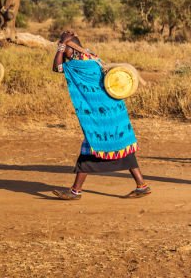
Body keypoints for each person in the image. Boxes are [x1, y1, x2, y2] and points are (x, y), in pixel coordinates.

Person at [50, 31, 151, 200]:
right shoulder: (92, 57)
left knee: (92, 146)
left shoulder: (77, 65)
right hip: (114, 111)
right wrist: (64, 43)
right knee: (121, 146)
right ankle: (142, 185)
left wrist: (61, 46)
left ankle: (75, 191)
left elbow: (57, 67)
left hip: (100, 117)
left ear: (71, 48)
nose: (63, 51)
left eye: (65, 48)